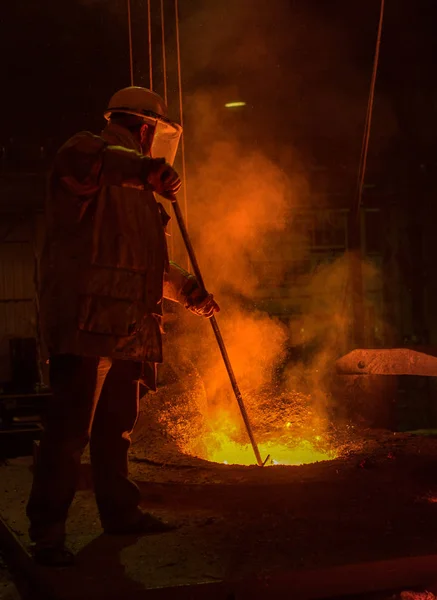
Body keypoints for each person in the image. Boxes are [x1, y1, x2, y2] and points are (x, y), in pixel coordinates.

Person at [27, 86, 219, 566]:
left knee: (116, 431)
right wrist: (142, 169)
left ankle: (120, 513)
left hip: (130, 327)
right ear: (147, 129)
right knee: (70, 431)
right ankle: (48, 533)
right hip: (86, 323)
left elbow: (147, 265)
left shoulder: (143, 197)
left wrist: (188, 289)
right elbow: (88, 160)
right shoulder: (88, 155)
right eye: (154, 140)